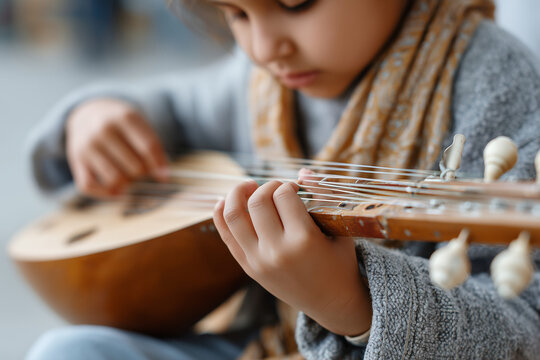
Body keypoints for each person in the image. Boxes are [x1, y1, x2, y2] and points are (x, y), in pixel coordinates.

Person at [25, 0, 540, 359]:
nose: (265, 47)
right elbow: (176, 109)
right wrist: (97, 116)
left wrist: (353, 304)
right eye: (236, 13)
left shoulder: (496, 83)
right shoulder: (260, 80)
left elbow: (526, 329)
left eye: (295, 3)